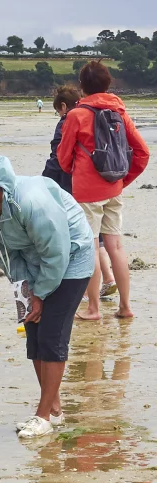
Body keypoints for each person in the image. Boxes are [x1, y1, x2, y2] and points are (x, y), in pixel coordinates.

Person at [0, 155, 95, 439]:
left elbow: (57, 252)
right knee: (34, 331)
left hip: (71, 257)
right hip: (37, 261)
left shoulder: (30, 202)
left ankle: (43, 415)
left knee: (52, 336)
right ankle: (55, 411)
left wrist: (42, 293)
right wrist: (26, 293)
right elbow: (8, 256)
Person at [57, 61, 149, 320]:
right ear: (108, 83)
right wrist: (122, 182)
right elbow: (142, 153)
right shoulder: (119, 111)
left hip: (86, 192)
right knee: (116, 246)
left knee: (89, 247)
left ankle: (94, 308)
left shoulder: (76, 115)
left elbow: (63, 159)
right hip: (114, 189)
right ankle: (126, 306)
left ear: (82, 86)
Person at [43, 85, 117, 297]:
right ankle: (109, 277)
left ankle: (86, 291)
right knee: (98, 236)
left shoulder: (67, 121)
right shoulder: (94, 116)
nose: (58, 114)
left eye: (57, 110)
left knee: (80, 237)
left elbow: (58, 156)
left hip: (73, 184)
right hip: (99, 183)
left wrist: (44, 182)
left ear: (63, 106)